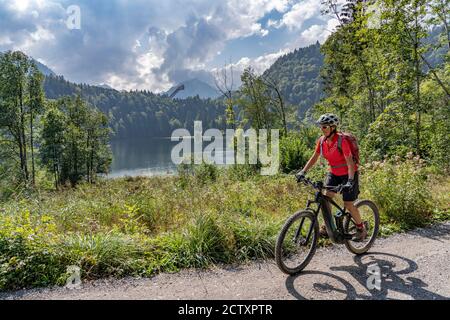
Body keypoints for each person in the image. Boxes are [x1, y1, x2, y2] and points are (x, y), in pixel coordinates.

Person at [296, 113, 367, 242]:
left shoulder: (342, 141)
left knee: (349, 204)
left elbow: (350, 162)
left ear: (332, 127)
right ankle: (328, 225)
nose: (322, 129)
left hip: (349, 174)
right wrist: (303, 171)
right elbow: (314, 157)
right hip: (334, 173)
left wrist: (350, 181)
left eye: (324, 127)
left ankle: (361, 228)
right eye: (321, 127)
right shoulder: (322, 141)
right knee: (326, 198)